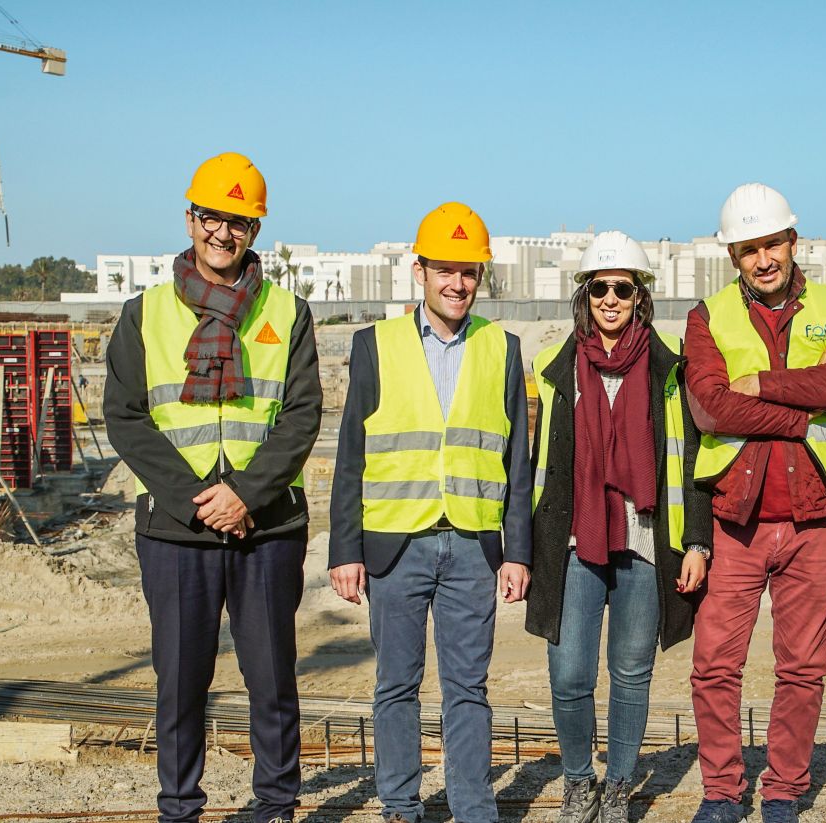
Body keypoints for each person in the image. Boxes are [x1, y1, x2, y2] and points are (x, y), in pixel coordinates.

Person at [104, 152, 322, 823]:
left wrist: (245, 495)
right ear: (189, 218)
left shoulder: (288, 312)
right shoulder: (144, 314)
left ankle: (275, 805)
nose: (222, 233)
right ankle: (180, 808)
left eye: (238, 222)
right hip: (177, 529)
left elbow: (302, 414)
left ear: (255, 231)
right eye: (211, 217)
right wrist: (197, 499)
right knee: (180, 682)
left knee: (272, 680)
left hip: (267, 526)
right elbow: (126, 417)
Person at [327, 202, 531, 823]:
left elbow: (517, 460)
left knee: (468, 688)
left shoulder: (503, 348)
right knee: (396, 686)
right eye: (445, 270)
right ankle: (400, 806)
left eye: (468, 272)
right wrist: (345, 550)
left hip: (473, 544)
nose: (457, 283)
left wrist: (518, 550)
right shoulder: (375, 345)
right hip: (395, 544)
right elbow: (351, 455)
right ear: (419, 272)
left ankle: (473, 808)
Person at [684, 183, 826, 823]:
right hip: (735, 522)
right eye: (749, 250)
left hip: (816, 521)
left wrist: (762, 384)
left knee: (802, 670)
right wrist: (801, 415)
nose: (763, 260)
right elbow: (711, 408)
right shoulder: (708, 318)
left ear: (793, 240)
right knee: (714, 667)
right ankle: (721, 791)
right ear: (732, 256)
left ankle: (784, 791)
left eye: (772, 244)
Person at [525, 232, 713, 823]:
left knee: (631, 674)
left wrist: (697, 542)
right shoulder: (557, 369)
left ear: (640, 297)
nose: (610, 299)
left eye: (622, 289)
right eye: (600, 288)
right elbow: (539, 466)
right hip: (575, 542)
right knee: (569, 674)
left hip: (645, 541)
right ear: (585, 296)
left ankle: (619, 786)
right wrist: (523, 548)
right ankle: (579, 781)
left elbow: (691, 458)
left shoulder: (669, 368)